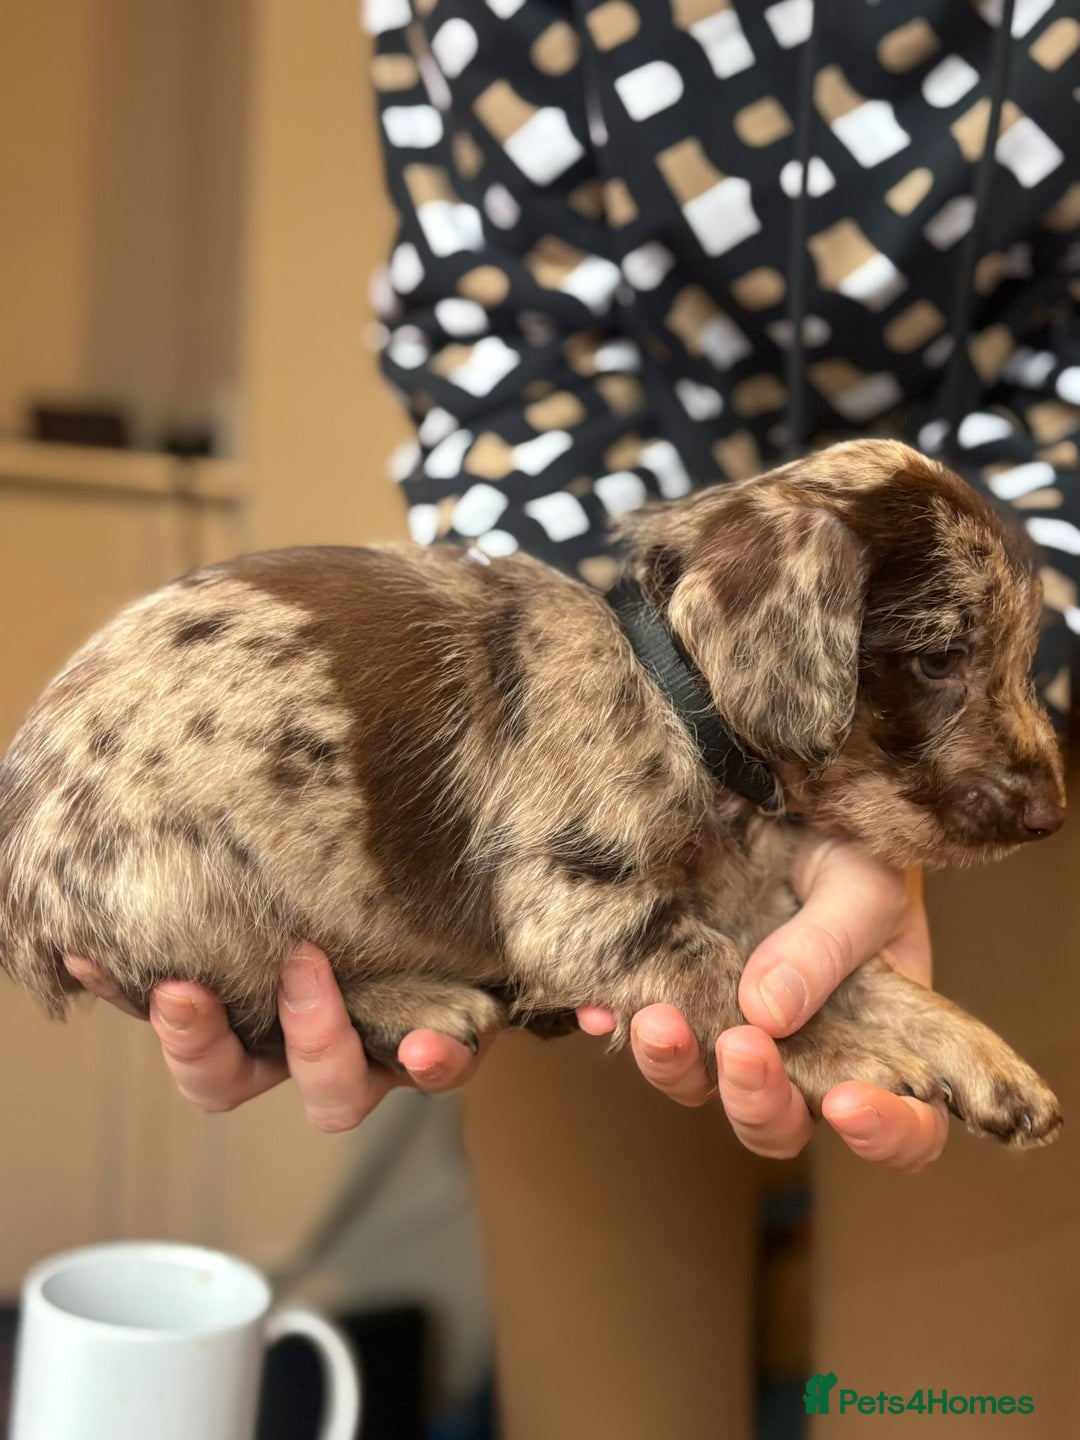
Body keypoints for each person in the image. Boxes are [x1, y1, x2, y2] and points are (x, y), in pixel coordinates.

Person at [69, 0, 1079, 1432]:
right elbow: (497, 312)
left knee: (959, 1391)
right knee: (606, 1387)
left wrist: (974, 656)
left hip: (1006, 584)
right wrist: (673, 715)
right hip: (619, 643)